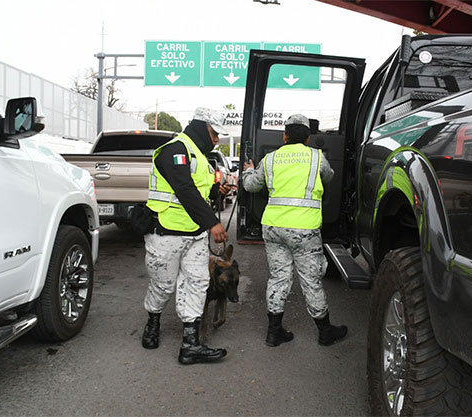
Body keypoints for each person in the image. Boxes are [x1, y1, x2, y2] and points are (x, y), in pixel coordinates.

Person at [242, 114, 348, 347]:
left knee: (278, 278)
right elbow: (329, 177)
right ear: (308, 138)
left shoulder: (270, 159)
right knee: (311, 280)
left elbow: (251, 186)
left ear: (285, 136)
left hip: (273, 227)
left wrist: (248, 170)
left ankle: (274, 333)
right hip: (304, 230)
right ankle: (325, 331)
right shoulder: (317, 158)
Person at [141, 107, 234, 365]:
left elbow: (200, 190)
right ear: (203, 127)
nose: (217, 139)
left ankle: (190, 344)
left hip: (195, 234)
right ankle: (152, 322)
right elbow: (183, 188)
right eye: (214, 133)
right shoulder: (175, 150)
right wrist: (212, 222)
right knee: (163, 285)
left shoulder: (200, 156)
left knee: (198, 282)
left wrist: (217, 190)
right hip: (167, 232)